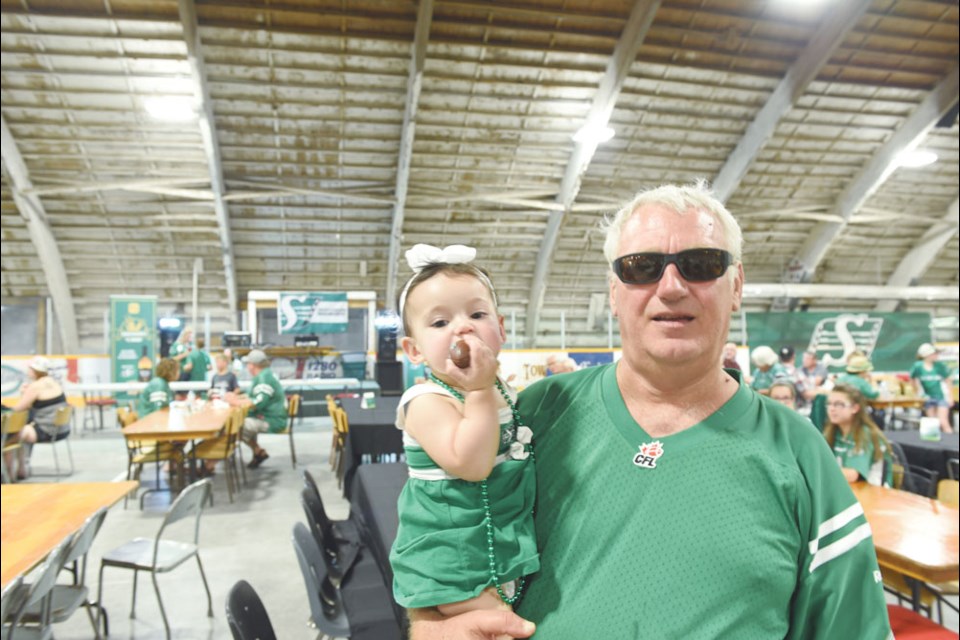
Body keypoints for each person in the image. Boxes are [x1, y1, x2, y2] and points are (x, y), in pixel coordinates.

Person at [410, 183, 890, 639]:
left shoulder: (798, 451)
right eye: (642, 267)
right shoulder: (530, 416)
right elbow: (437, 533)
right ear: (615, 292)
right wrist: (428, 627)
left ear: (737, 284)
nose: (673, 286)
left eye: (701, 263)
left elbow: (852, 627)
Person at [390, 244, 538, 620]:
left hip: (499, 542)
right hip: (451, 558)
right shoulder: (426, 401)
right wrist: (478, 390)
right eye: (440, 323)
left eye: (477, 313)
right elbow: (471, 464)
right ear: (414, 350)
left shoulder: (497, 390)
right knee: (500, 626)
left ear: (501, 329)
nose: (463, 326)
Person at [5, 356, 70, 480]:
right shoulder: (54, 382)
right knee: (23, 430)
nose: (28, 371)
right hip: (61, 429)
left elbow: (19, 409)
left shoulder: (36, 386)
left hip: (47, 430)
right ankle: (21, 469)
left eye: (30, 368)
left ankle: (9, 474)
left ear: (35, 370)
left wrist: (23, 393)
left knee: (11, 436)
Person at [223, 349, 286, 468]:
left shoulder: (264, 379)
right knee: (239, 424)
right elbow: (253, 396)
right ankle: (258, 452)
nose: (247, 366)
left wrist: (235, 401)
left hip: (272, 420)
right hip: (266, 417)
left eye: (248, 363)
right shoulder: (263, 375)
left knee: (236, 426)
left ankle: (257, 451)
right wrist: (238, 397)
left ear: (253, 365)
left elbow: (258, 402)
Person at [823, 384, 892, 487]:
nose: (832, 409)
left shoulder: (866, 434)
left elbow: (852, 475)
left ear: (855, 408)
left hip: (874, 494)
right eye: (829, 404)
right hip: (846, 490)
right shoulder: (832, 432)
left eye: (839, 404)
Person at [910, 342, 954, 434]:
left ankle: (953, 443)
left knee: (943, 421)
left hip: (941, 397)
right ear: (927, 355)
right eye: (934, 353)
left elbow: (948, 381)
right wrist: (917, 392)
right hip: (927, 398)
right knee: (933, 423)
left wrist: (950, 397)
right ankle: (936, 445)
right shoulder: (918, 366)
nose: (936, 355)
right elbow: (912, 379)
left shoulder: (939, 366)